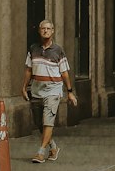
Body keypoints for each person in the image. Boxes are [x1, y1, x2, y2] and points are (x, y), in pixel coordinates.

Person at [22, 18, 77, 163]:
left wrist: (69, 91)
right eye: (43, 28)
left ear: (52, 32)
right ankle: (53, 147)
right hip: (36, 90)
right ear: (39, 31)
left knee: (48, 121)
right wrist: (23, 87)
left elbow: (64, 73)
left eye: (48, 29)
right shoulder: (33, 49)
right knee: (39, 123)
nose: (45, 31)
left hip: (53, 90)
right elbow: (28, 70)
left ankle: (41, 152)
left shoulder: (58, 50)